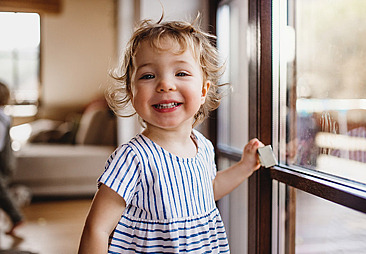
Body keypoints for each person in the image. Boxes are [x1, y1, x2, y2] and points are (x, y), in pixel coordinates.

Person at [78, 15, 264, 254]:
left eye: (181, 73)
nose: (165, 84)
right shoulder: (133, 157)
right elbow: (98, 228)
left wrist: (245, 166)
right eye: (148, 76)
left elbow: (208, 189)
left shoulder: (203, 146)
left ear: (204, 90)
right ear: (132, 93)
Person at [0, 81, 24, 235]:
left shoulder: (1, 118)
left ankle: (17, 217)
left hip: (3, 162)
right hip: (5, 161)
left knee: (0, 190)